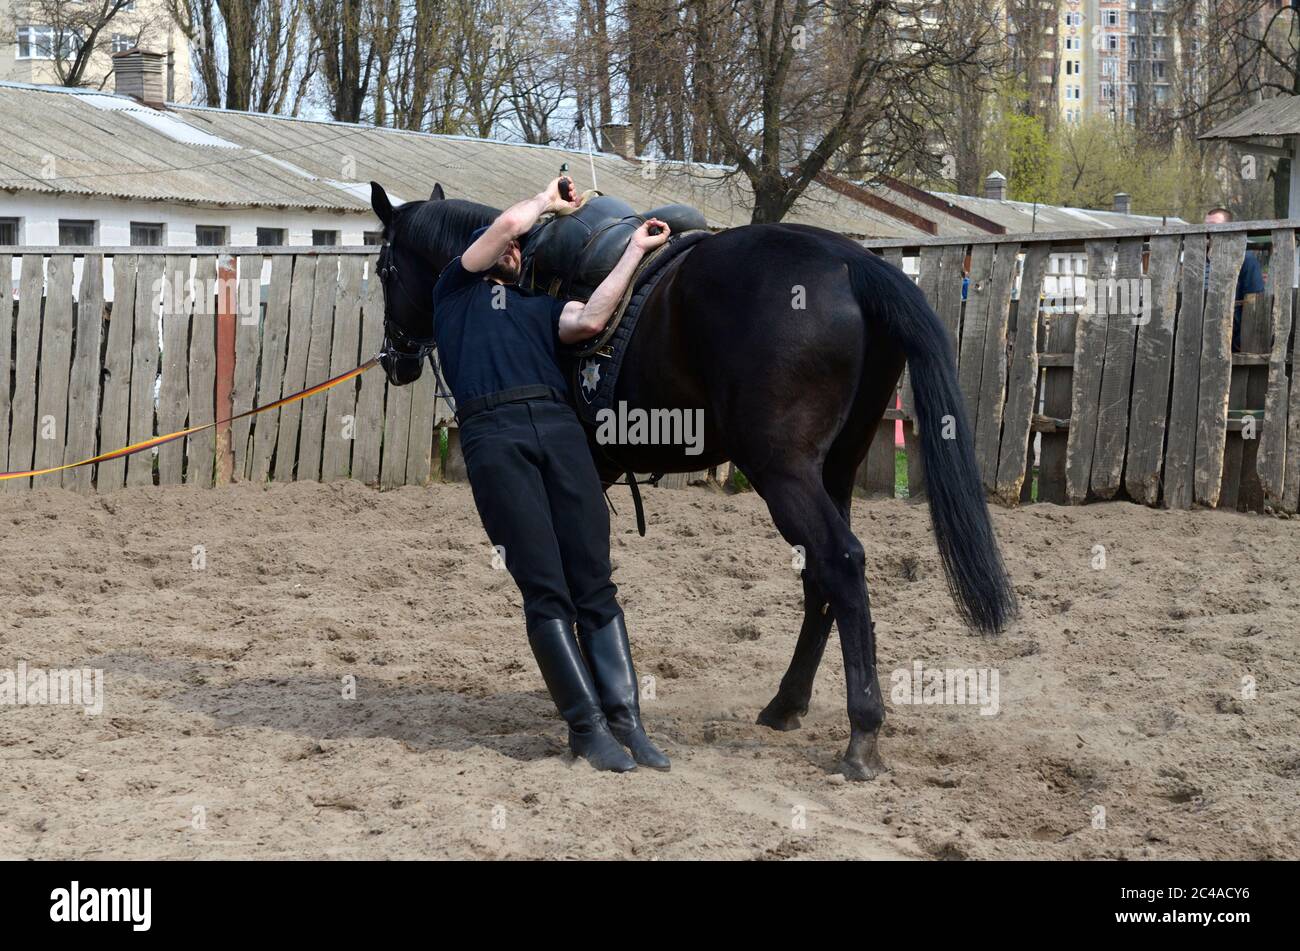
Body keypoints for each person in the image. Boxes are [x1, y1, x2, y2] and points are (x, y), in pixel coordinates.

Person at [432, 176, 672, 773]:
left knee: (596, 585)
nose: (516, 251)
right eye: (507, 247)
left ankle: (627, 723)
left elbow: (591, 320)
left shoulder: (540, 309)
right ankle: (586, 729)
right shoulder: (453, 293)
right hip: (494, 437)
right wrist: (547, 201)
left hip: (560, 431)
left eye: (519, 248)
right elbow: (508, 227)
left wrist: (635, 252)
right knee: (546, 590)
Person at [1204, 207, 1265, 352]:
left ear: (1229, 230)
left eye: (1213, 226)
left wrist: (1239, 342)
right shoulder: (1195, 260)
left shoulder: (1246, 260)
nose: (1207, 231)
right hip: (1199, 336)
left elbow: (1255, 302)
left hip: (1231, 341)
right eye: (1205, 226)